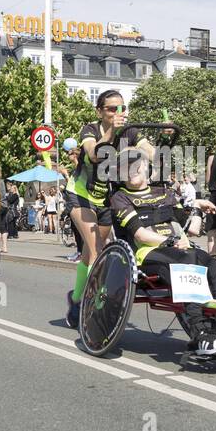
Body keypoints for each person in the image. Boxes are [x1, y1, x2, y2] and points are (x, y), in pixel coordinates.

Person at [107, 148, 216, 356]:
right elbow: (140, 235)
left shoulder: (165, 194)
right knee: (189, 259)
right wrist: (171, 241)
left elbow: (191, 229)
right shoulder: (121, 197)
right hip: (148, 253)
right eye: (126, 167)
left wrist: (198, 208)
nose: (132, 170)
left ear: (147, 168)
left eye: (137, 165)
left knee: (214, 263)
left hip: (181, 249)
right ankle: (200, 332)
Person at [63, 89, 154, 327]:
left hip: (105, 199)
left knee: (89, 253)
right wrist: (113, 129)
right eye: (112, 109)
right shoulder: (90, 129)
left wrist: (162, 142)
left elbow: (150, 151)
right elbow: (94, 154)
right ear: (100, 111)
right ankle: (96, 307)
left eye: (121, 108)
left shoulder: (131, 131)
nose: (117, 113)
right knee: (96, 251)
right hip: (80, 195)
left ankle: (75, 300)